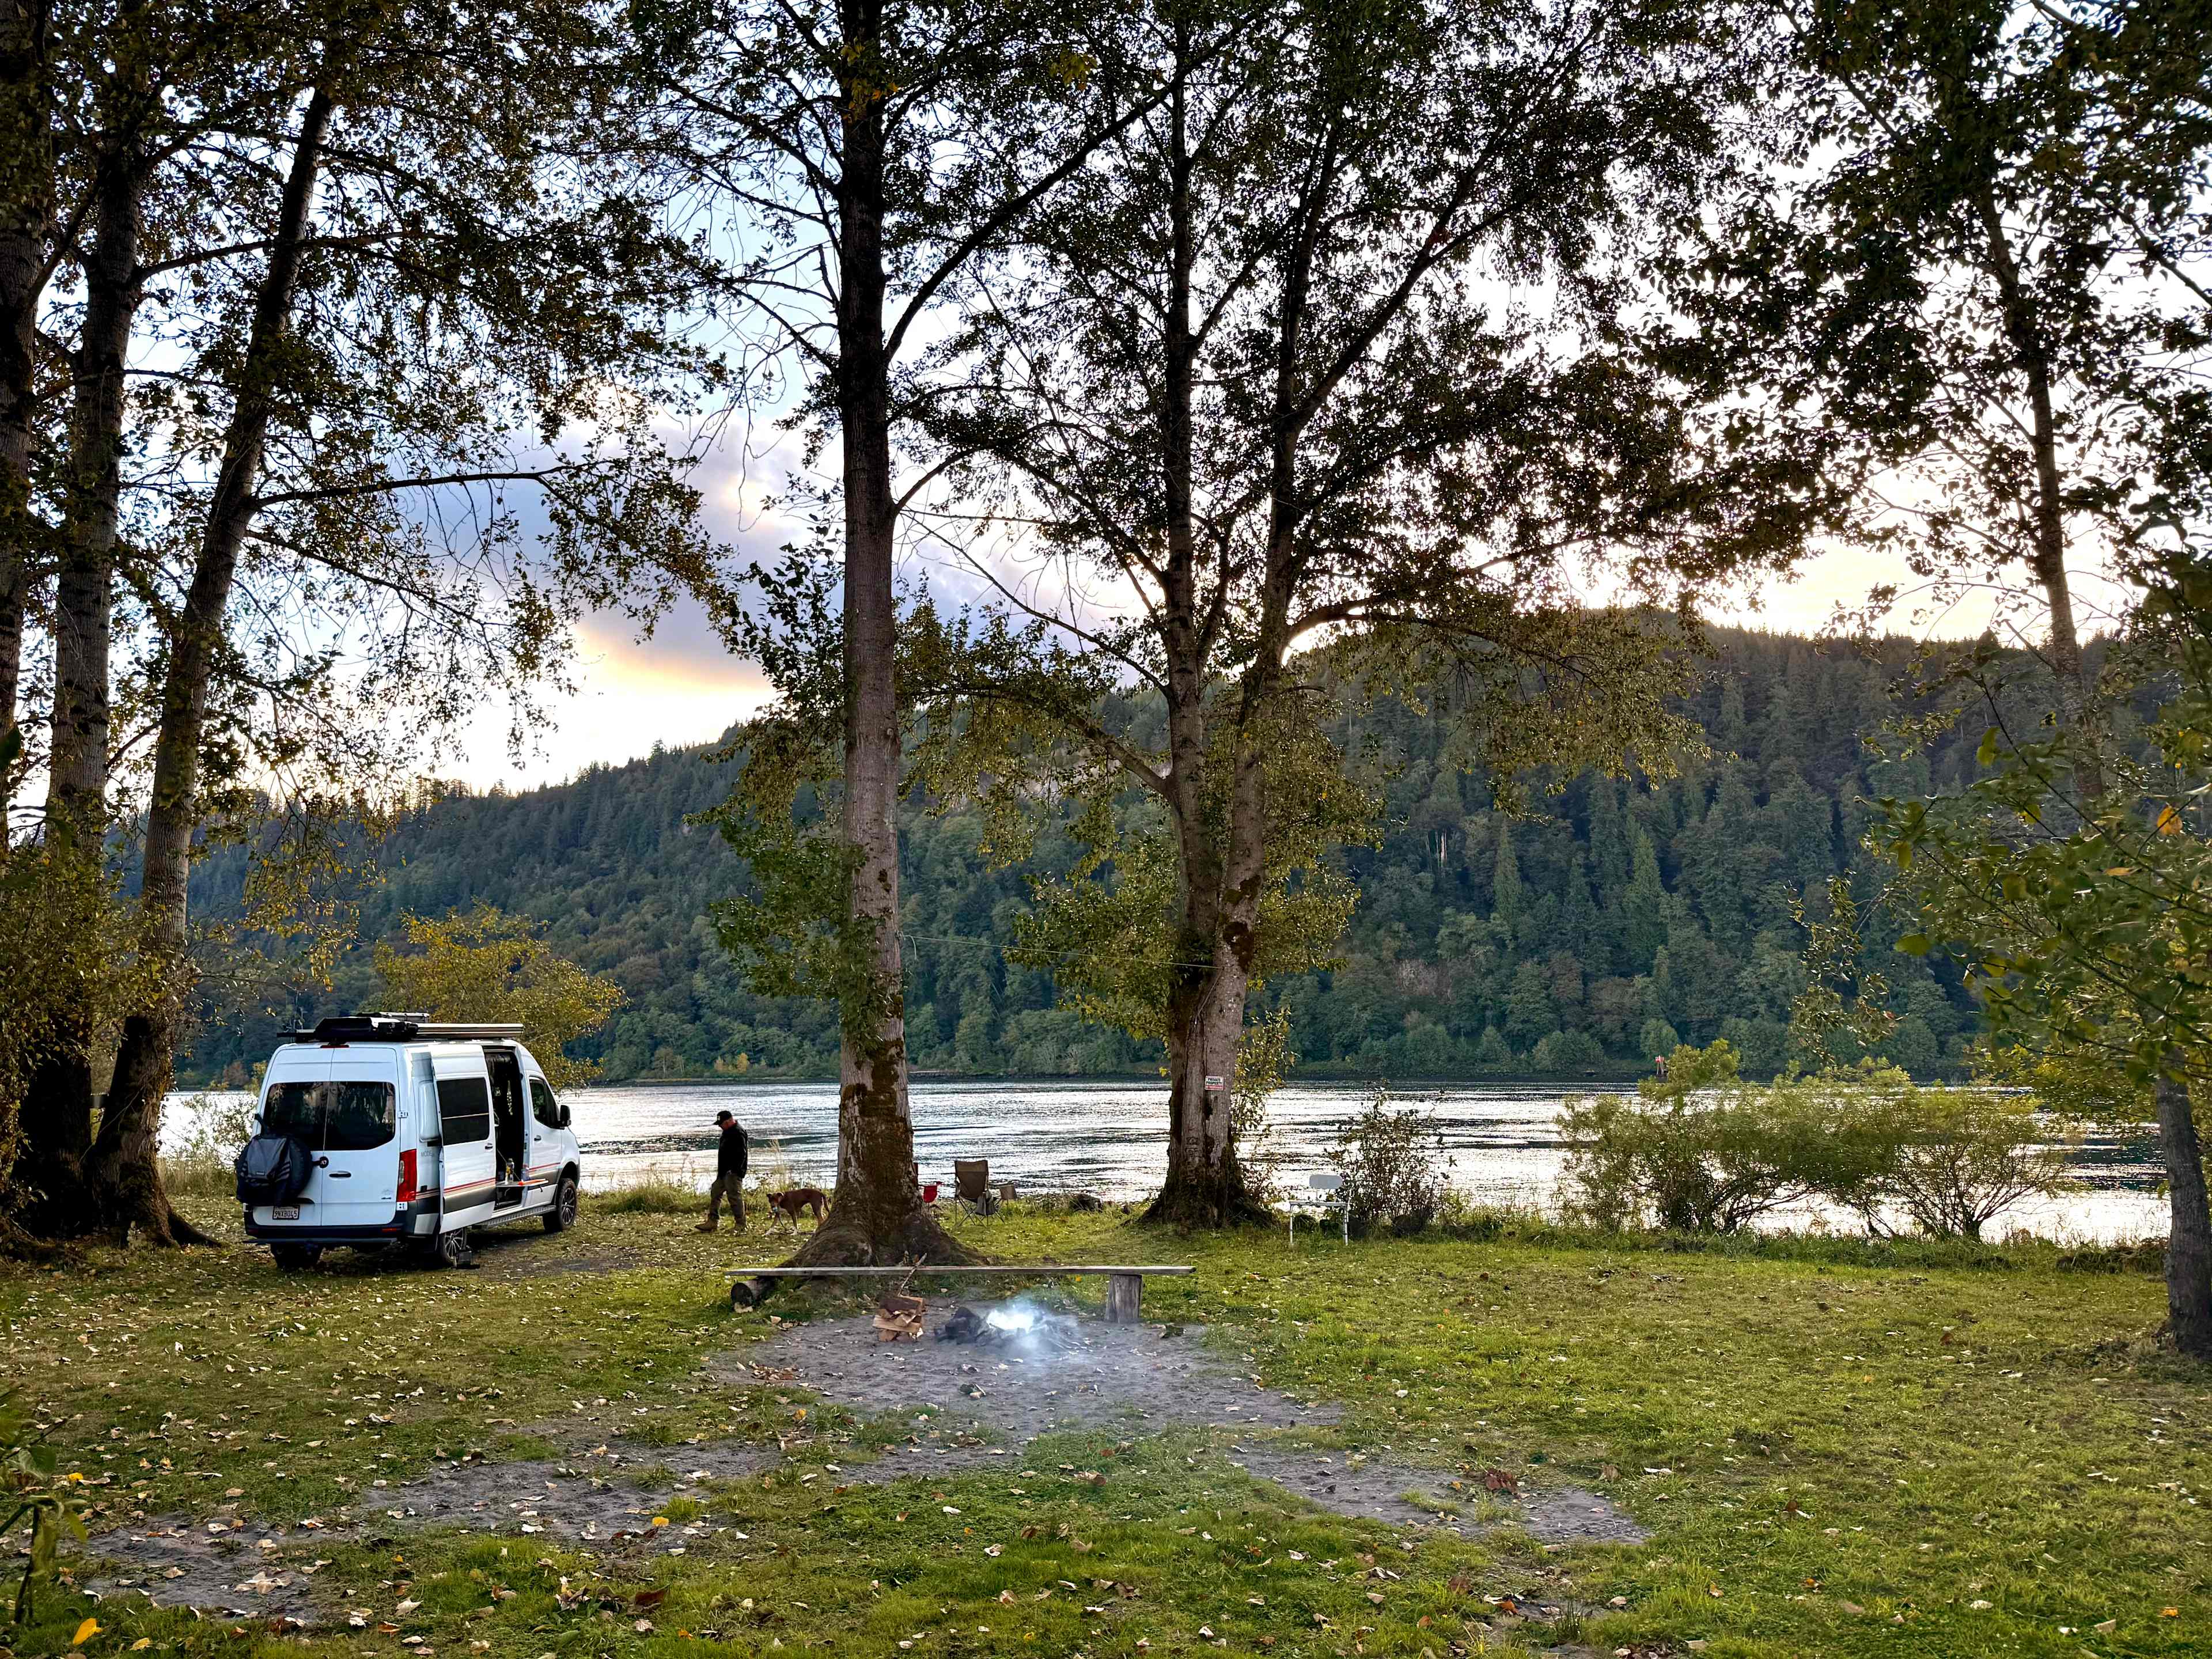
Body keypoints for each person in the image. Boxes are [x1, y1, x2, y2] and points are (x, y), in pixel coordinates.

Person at [698, 1108, 748, 1232]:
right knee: (715, 1192)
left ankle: (741, 1224)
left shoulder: (738, 1132)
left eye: (722, 1124)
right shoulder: (727, 1131)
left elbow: (742, 1154)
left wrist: (735, 1170)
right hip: (723, 1172)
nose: (720, 1127)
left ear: (730, 1121)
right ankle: (712, 1222)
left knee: (735, 1197)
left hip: (733, 1173)